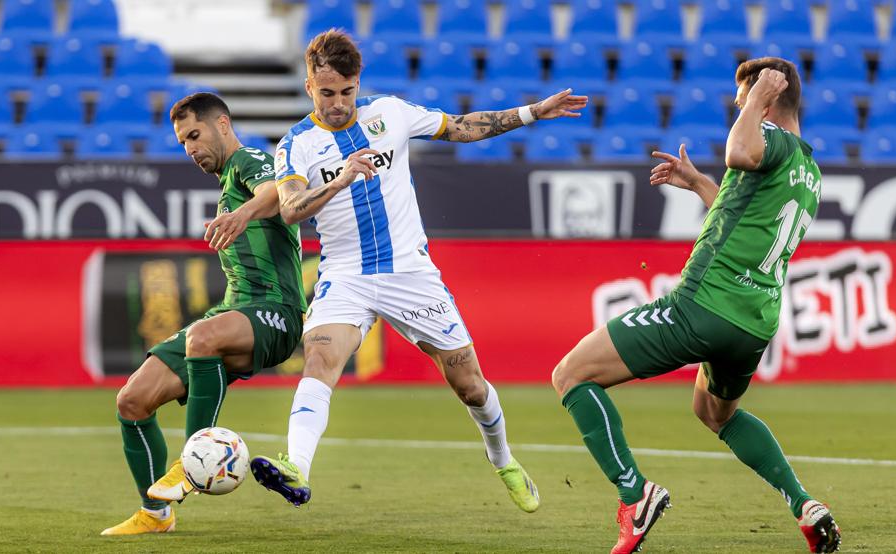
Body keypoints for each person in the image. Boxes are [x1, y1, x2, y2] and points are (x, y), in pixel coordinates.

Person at [205, 28, 586, 512]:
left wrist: (532, 112)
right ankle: (297, 467)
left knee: (469, 384)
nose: (338, 103)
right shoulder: (295, 145)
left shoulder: (390, 113)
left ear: (357, 83)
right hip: (345, 274)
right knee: (320, 359)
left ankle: (504, 459)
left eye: (347, 91)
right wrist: (342, 177)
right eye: (327, 93)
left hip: (411, 273)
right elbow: (291, 208)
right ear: (308, 88)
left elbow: (462, 126)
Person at [551, 58, 842, 554]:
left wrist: (755, 100)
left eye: (743, 100)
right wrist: (698, 185)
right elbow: (746, 214)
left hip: (703, 305)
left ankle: (634, 493)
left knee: (571, 374)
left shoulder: (769, 137)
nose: (738, 109)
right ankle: (803, 503)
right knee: (715, 412)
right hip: (754, 322)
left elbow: (738, 150)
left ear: (768, 100)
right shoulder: (807, 169)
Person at [101, 93, 307, 535]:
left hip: (277, 311)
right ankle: (155, 515)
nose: (190, 148)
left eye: (194, 135)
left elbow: (279, 193)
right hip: (235, 310)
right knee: (132, 401)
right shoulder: (226, 181)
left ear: (223, 124)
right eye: (182, 143)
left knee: (204, 338)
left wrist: (242, 215)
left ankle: (190, 463)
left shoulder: (250, 159)